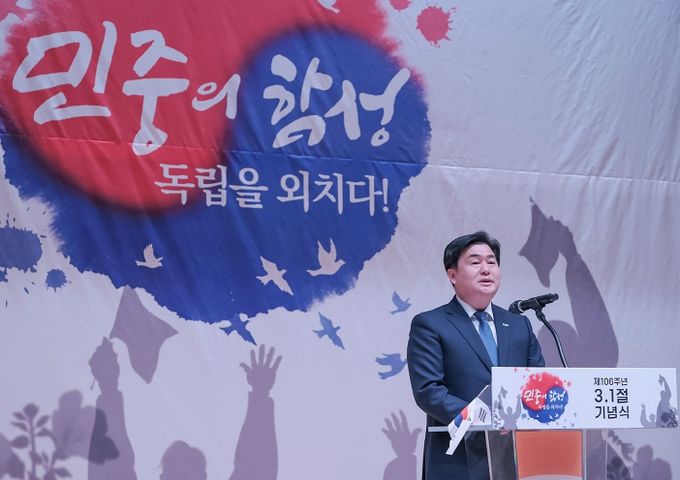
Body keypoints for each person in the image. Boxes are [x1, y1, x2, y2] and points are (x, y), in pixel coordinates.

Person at [407, 231, 544, 480]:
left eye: (492, 262)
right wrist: (485, 417)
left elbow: (537, 384)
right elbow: (428, 391)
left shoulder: (519, 325)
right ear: (452, 275)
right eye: (475, 262)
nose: (486, 269)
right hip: (456, 461)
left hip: (511, 460)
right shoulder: (431, 324)